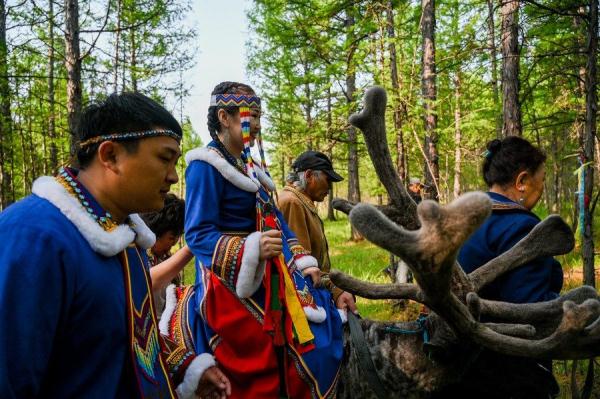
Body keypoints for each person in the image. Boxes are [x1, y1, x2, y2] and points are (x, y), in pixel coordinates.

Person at [0, 93, 229, 399]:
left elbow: (130, 336)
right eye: (164, 158)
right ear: (110, 156)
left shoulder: (125, 239)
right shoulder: (33, 237)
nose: (174, 176)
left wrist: (185, 367)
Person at [169, 81, 344, 398]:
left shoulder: (251, 166)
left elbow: (276, 219)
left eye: (261, 116)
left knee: (321, 318)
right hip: (226, 277)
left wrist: (303, 262)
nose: (259, 125)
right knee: (270, 346)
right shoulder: (204, 166)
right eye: (252, 116)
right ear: (225, 117)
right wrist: (251, 248)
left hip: (271, 270)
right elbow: (197, 235)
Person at [450, 136, 562, 398]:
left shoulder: (463, 220)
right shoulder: (520, 228)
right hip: (507, 372)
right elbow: (529, 311)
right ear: (522, 181)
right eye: (542, 179)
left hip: (458, 363)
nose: (543, 187)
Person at [278, 150, 357, 313]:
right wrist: (336, 291)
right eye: (327, 180)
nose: (329, 187)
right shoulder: (293, 203)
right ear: (308, 175)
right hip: (307, 301)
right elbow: (303, 266)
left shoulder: (301, 201)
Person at [140, 193, 193, 319]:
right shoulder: (137, 254)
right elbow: (149, 280)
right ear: (156, 232)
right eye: (171, 238)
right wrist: (192, 247)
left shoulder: (163, 259)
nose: (174, 242)